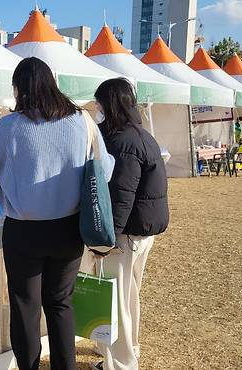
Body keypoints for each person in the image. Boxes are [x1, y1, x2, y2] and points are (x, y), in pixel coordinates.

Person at [0, 57, 114, 370]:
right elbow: (106, 170)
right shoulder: (82, 122)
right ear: (52, 84)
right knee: (60, 304)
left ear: (19, 89)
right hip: (70, 230)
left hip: (24, 233)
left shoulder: (8, 127)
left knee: (25, 307)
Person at [92, 78, 169, 370]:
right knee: (129, 295)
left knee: (118, 300)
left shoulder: (123, 141)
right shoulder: (141, 134)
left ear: (109, 104)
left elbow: (122, 196)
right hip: (142, 232)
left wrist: (107, 240)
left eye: (99, 103)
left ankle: (122, 363)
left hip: (126, 234)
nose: (96, 108)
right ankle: (128, 350)